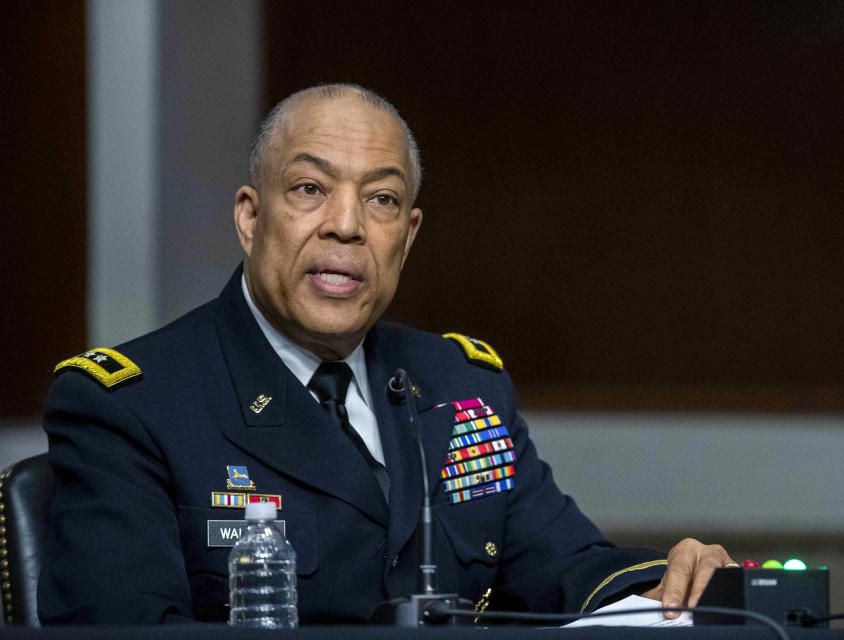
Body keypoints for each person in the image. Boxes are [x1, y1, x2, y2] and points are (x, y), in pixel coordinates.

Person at [39, 84, 734, 624]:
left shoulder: (458, 386)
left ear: (407, 234)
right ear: (251, 218)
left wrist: (674, 581)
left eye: (381, 200)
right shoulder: (133, 405)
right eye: (310, 189)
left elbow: (566, 569)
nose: (346, 226)